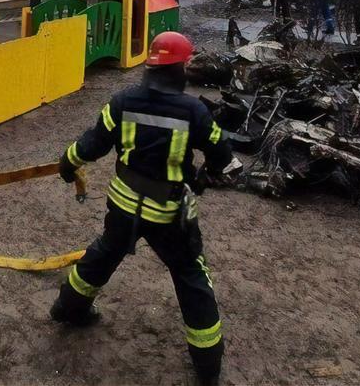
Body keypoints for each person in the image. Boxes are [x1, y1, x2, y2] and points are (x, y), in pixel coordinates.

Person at [50, 32, 235, 385]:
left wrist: (67, 163)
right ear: (180, 68)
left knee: (104, 253)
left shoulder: (123, 101)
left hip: (123, 205)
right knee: (190, 275)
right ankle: (208, 364)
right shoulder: (193, 111)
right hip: (168, 215)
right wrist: (203, 175)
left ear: (151, 66)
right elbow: (221, 153)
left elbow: (94, 141)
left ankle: (67, 309)